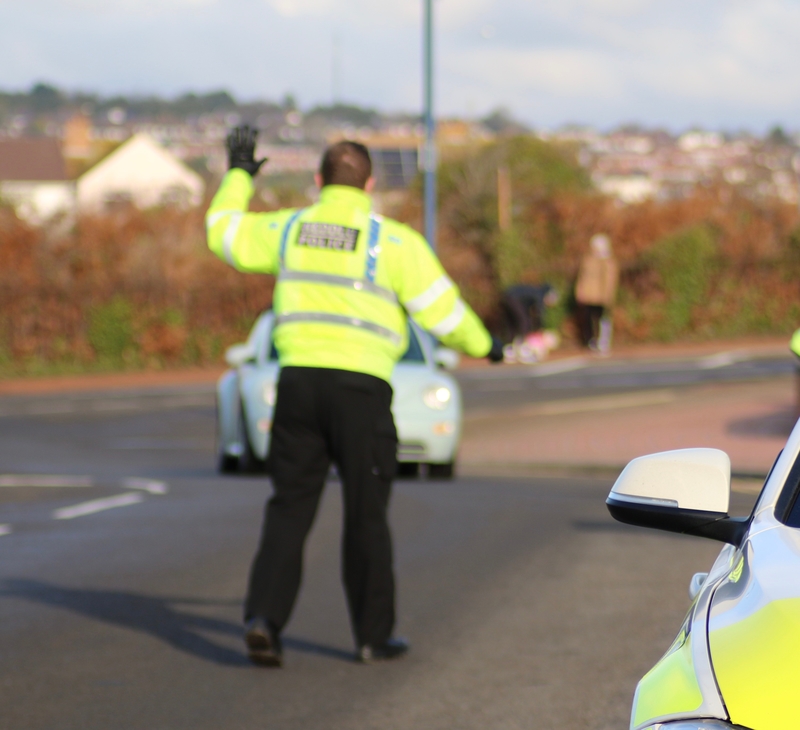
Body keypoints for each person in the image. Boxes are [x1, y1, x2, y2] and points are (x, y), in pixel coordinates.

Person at [206, 127, 503, 667]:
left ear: (319, 182)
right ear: (367, 185)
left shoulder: (291, 228)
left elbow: (222, 233)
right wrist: (489, 346)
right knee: (366, 516)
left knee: (289, 509)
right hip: (362, 392)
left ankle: (263, 621)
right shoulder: (394, 243)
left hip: (297, 385)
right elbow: (444, 313)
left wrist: (239, 175)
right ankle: (372, 637)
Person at [574, 233, 619, 354]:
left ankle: (603, 341)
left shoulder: (608, 260)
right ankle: (591, 340)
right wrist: (580, 291)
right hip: (589, 295)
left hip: (602, 295)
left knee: (602, 318)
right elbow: (582, 276)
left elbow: (610, 279)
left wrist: (608, 295)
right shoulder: (587, 259)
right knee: (588, 317)